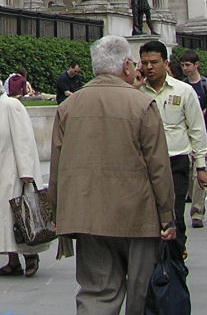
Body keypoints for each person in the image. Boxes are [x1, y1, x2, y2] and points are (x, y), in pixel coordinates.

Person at [49, 35, 176, 315]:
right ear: (128, 66)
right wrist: (167, 214)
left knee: (96, 291)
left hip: (87, 213)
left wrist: (57, 211)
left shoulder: (69, 107)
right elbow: (158, 167)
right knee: (140, 292)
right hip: (137, 214)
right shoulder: (141, 105)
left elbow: (57, 167)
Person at [0, 73, 49, 277]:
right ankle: (12, 260)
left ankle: (29, 255)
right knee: (3, 218)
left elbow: (23, 139)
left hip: (12, 173)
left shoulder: (12, 106)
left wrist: (26, 172)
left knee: (17, 216)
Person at [137, 40, 207, 250]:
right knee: (148, 216)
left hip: (175, 161)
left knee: (174, 214)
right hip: (145, 163)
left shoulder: (184, 91)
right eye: (144, 63)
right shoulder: (136, 93)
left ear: (166, 63)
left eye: (154, 62)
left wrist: (202, 166)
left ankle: (176, 259)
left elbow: (196, 128)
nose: (149, 67)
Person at [178, 48, 207, 230]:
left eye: (188, 65)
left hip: (202, 135)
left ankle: (197, 212)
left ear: (197, 65)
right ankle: (194, 205)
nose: (185, 68)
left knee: (199, 173)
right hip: (185, 136)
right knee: (188, 176)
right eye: (182, 65)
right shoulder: (181, 86)